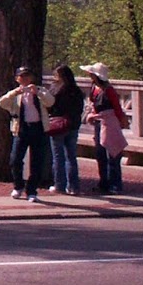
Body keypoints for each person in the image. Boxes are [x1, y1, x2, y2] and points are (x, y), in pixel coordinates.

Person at [0, 66, 53, 203]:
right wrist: (15, 93)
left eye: (27, 76)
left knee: (37, 161)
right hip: (21, 129)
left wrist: (38, 93)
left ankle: (32, 190)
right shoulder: (16, 94)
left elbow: (50, 101)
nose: (25, 79)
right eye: (22, 77)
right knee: (15, 159)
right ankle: (18, 186)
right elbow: (2, 102)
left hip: (38, 129)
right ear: (17, 79)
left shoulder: (40, 90)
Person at [82, 61, 127, 193]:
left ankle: (115, 184)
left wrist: (122, 120)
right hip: (98, 122)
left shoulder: (109, 90)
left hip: (109, 123)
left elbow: (117, 107)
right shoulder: (94, 88)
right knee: (100, 154)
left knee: (112, 153)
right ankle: (104, 182)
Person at [46, 64, 85, 195]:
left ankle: (59, 185)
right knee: (71, 156)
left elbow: (49, 105)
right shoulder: (76, 90)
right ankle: (73, 186)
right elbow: (80, 108)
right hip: (72, 124)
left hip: (58, 125)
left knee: (58, 156)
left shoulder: (55, 89)